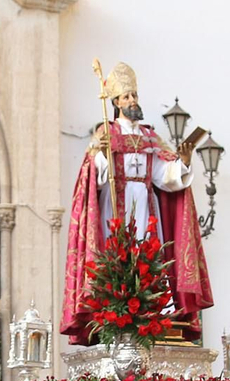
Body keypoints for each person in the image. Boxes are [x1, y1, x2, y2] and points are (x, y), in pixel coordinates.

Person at [61, 60, 212, 345]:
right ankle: (113, 311)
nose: (132, 101)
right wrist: (101, 155)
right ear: (116, 102)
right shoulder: (106, 133)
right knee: (117, 255)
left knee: (148, 253)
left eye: (135, 95)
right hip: (114, 206)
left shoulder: (150, 137)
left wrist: (183, 162)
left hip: (145, 202)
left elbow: (163, 176)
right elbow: (94, 176)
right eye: (127, 96)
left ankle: (154, 312)